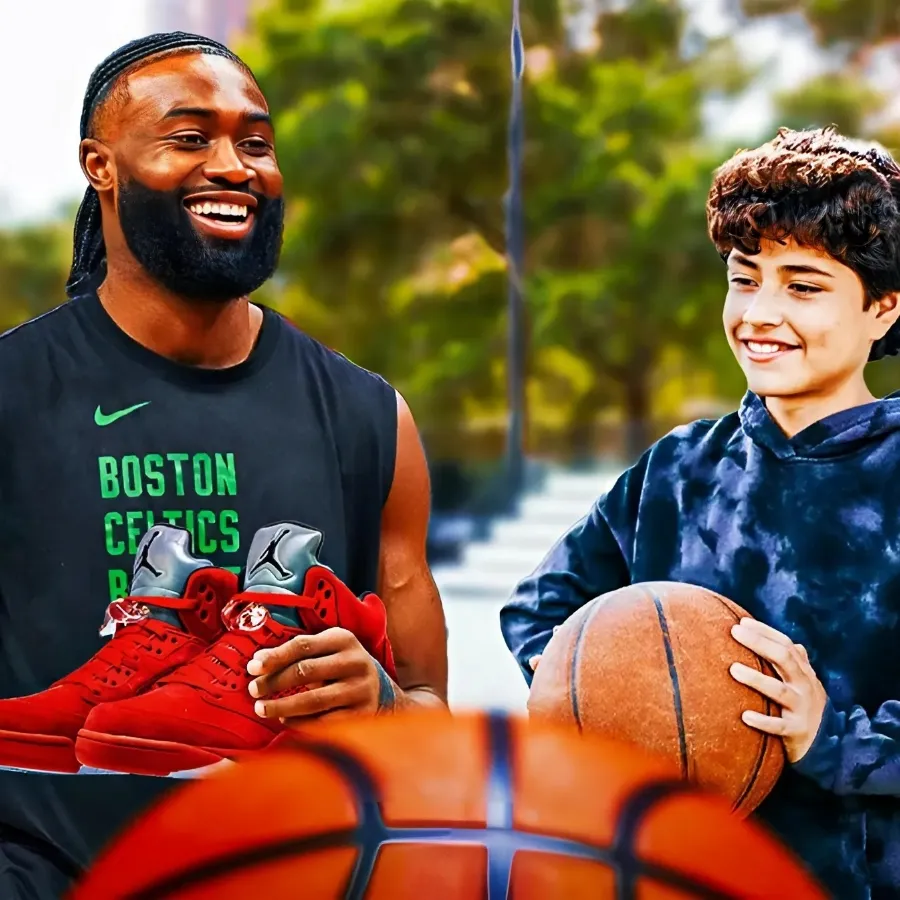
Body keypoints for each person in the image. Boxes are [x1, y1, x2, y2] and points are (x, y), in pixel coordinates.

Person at [0, 32, 448, 898]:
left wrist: (384, 704)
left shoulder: (368, 418)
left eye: (255, 141)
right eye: (189, 136)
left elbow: (432, 721)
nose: (235, 165)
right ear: (102, 165)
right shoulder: (13, 395)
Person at [501, 125, 900, 900]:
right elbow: (539, 611)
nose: (760, 312)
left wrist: (835, 737)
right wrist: (615, 705)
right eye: (744, 278)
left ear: (883, 309)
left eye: (803, 285)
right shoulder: (680, 467)